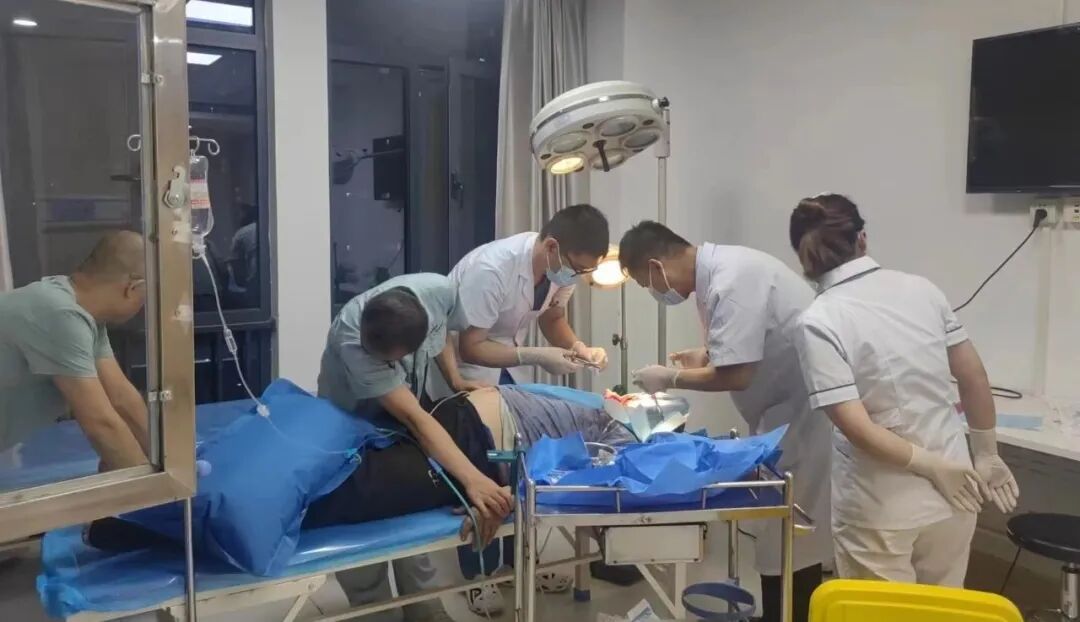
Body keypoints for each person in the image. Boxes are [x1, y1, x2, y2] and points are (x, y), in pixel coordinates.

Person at [788, 193, 1019, 587]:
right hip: (956, 493)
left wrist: (930, 467)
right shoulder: (922, 289)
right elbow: (973, 377)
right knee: (942, 607)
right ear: (862, 238)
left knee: (882, 611)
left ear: (802, 257)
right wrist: (986, 452)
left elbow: (856, 426)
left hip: (882, 507)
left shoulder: (818, 319)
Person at [619, 221, 832, 622]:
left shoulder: (731, 281)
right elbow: (747, 341)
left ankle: (788, 615)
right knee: (785, 537)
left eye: (647, 284)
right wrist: (705, 355)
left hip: (804, 414)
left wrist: (671, 378)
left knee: (791, 538)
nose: (654, 293)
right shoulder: (720, 274)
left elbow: (737, 374)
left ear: (656, 266)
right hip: (784, 411)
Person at [316, 272, 509, 621]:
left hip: (403, 415)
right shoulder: (354, 342)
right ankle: (373, 611)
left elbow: (441, 330)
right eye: (386, 361)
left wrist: (455, 379)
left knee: (409, 505)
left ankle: (426, 608)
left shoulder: (438, 292)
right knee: (365, 510)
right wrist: (473, 479)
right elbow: (417, 420)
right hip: (349, 423)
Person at [0, 231, 149, 470]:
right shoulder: (60, 314)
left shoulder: (85, 315)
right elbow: (100, 423)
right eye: (144, 299)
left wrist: (165, 463)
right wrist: (151, 487)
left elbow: (121, 397)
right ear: (133, 288)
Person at [446, 203, 611, 387]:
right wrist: (535, 356)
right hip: (465, 370)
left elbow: (552, 318)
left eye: (584, 271)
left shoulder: (562, 269)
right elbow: (470, 348)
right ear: (551, 247)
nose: (577, 276)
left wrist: (578, 348)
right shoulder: (491, 270)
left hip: (507, 369)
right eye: (577, 268)